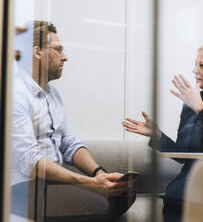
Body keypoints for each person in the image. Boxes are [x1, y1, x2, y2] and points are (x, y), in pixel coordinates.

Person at [11, 21, 135, 221]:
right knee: (96, 204)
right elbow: (31, 162)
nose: (65, 57)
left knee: (123, 193)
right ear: (37, 52)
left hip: (49, 182)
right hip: (20, 186)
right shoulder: (15, 94)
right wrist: (88, 183)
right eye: (58, 50)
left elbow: (71, 144)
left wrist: (99, 174)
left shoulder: (54, 95)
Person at [122, 40, 203, 222]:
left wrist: (202, 109)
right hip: (184, 189)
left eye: (202, 65)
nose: (195, 70)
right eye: (195, 64)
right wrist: (158, 136)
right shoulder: (192, 101)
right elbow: (183, 154)